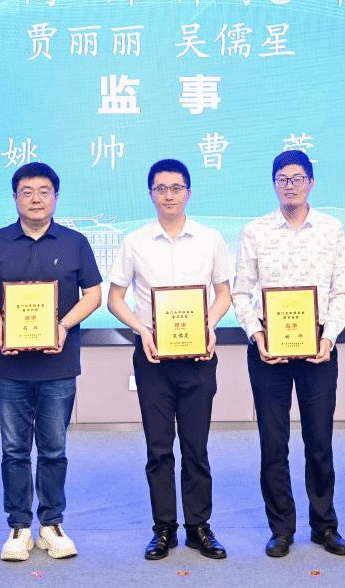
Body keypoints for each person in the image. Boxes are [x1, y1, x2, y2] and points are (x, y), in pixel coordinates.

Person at [0, 162, 102, 563]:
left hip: (59, 366)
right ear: (15, 198)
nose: (36, 199)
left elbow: (94, 294)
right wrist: (1, 325)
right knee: (13, 449)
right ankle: (19, 526)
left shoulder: (75, 242)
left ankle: (52, 524)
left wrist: (62, 326)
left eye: (44, 191)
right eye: (27, 192)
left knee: (54, 449)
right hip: (10, 368)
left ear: (56, 197)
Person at [107, 159, 233, 561]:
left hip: (198, 356)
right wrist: (142, 330)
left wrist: (210, 325)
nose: (168, 195)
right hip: (153, 358)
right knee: (158, 448)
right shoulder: (134, 242)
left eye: (176, 188)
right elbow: (114, 299)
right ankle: (163, 529)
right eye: (160, 188)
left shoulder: (210, 239)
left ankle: (199, 527)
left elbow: (224, 293)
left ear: (189, 193)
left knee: (196, 447)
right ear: (150, 194)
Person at [231, 150, 345, 559]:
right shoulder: (255, 231)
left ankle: (324, 526)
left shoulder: (331, 229)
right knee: (273, 443)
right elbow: (241, 292)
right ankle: (281, 528)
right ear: (274, 185)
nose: (290, 185)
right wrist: (257, 335)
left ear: (311, 183)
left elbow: (341, 290)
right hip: (269, 347)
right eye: (282, 179)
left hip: (318, 345)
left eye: (298, 178)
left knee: (320, 441)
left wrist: (329, 338)